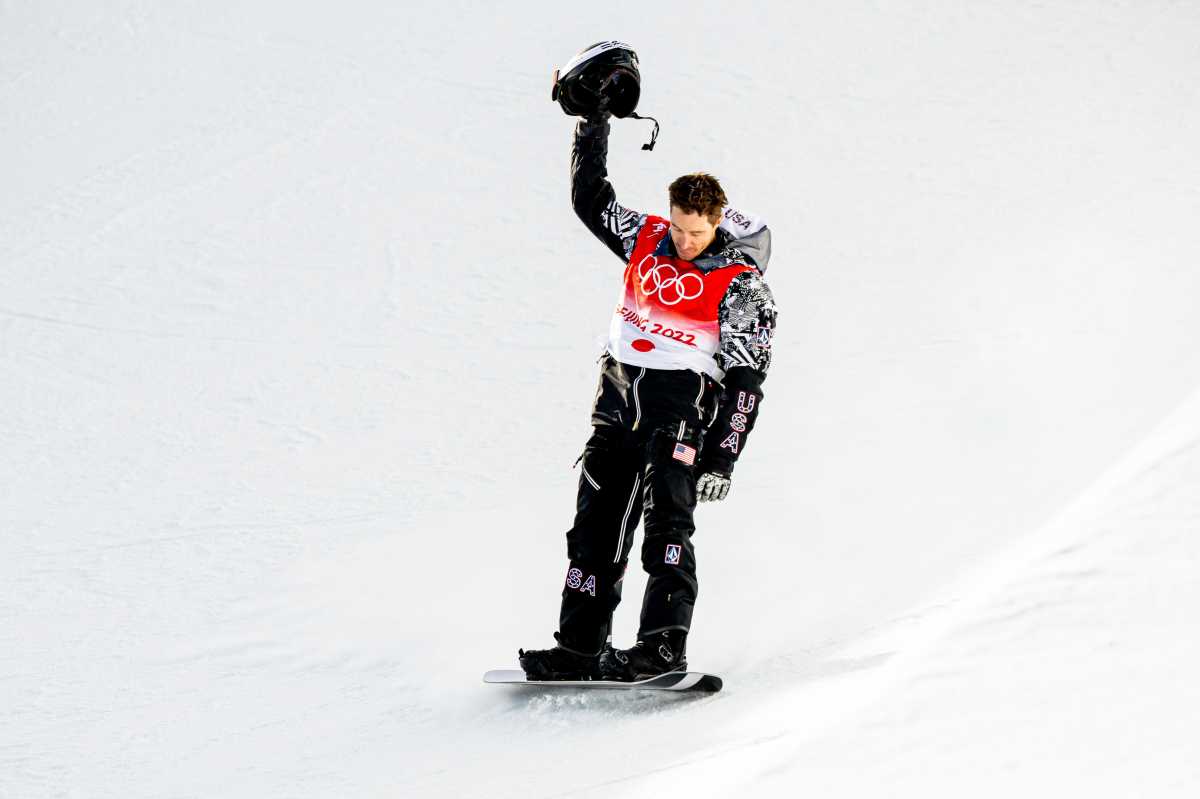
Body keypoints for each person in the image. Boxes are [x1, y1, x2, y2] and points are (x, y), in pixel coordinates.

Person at [519, 44, 778, 682]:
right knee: (594, 528)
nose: (685, 242)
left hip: (681, 412)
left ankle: (663, 645)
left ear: (718, 222)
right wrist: (594, 124)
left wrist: (723, 458)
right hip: (617, 399)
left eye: (698, 233)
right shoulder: (644, 237)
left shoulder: (741, 284)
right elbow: (590, 199)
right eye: (679, 228)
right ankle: (579, 646)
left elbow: (747, 383)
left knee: (667, 529)